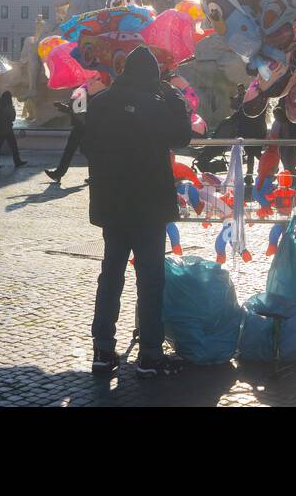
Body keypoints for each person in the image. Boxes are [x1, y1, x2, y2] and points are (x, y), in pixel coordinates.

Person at [81, 46, 191, 379]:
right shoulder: (156, 105)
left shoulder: (99, 105)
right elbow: (182, 136)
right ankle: (150, 354)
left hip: (112, 204)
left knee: (110, 274)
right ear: (152, 77)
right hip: (148, 204)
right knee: (150, 280)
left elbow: (85, 145)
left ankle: (102, 348)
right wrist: (173, 98)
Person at [45, 97, 87, 184]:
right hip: (79, 127)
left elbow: (78, 111)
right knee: (69, 151)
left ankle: (96, 175)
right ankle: (58, 173)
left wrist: (65, 107)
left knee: (87, 152)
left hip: (84, 128)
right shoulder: (81, 94)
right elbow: (74, 109)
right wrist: (63, 106)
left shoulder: (86, 94)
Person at [0, 90, 27, 168]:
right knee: (13, 146)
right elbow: (13, 118)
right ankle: (17, 161)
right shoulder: (9, 107)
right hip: (7, 129)